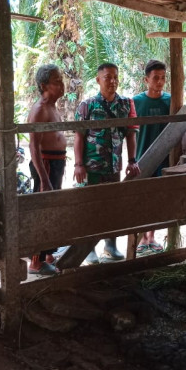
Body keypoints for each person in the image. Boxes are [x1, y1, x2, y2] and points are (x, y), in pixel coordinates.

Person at [74, 63, 140, 264]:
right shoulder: (87, 105)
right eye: (107, 77)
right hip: (92, 168)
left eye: (115, 77)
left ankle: (110, 246)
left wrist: (132, 160)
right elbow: (79, 137)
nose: (112, 81)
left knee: (112, 205)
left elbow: (131, 135)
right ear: (98, 80)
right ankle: (89, 249)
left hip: (114, 167)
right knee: (90, 206)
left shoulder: (126, 104)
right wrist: (78, 164)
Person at [27, 64, 67, 276]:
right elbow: (34, 147)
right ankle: (36, 261)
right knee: (43, 210)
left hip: (56, 163)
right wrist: (43, 178)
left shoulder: (53, 107)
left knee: (52, 209)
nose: (62, 85)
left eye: (61, 80)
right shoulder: (40, 109)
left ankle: (48, 253)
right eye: (56, 81)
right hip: (46, 163)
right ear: (44, 85)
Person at [132, 59, 171, 255]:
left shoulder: (170, 101)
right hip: (141, 159)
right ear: (146, 79)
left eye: (163, 78)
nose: (160, 82)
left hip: (163, 159)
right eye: (156, 78)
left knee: (157, 199)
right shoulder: (136, 102)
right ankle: (141, 239)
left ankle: (152, 237)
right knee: (141, 199)